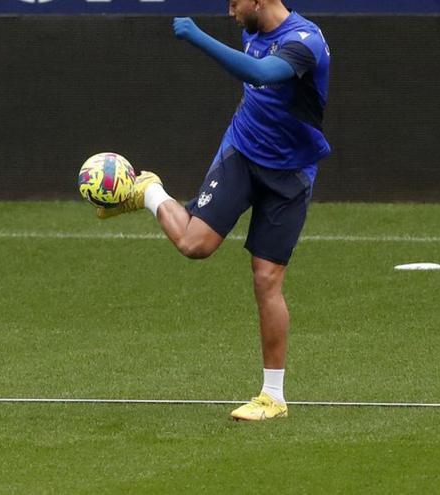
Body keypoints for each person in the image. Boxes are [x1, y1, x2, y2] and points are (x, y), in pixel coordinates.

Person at [98, 0, 330, 421]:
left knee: (266, 279)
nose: (230, 12)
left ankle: (272, 397)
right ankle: (150, 191)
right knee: (194, 244)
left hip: (289, 175)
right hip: (241, 152)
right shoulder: (253, 28)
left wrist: (195, 36)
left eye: (234, 2)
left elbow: (261, 74)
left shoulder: (305, 42)